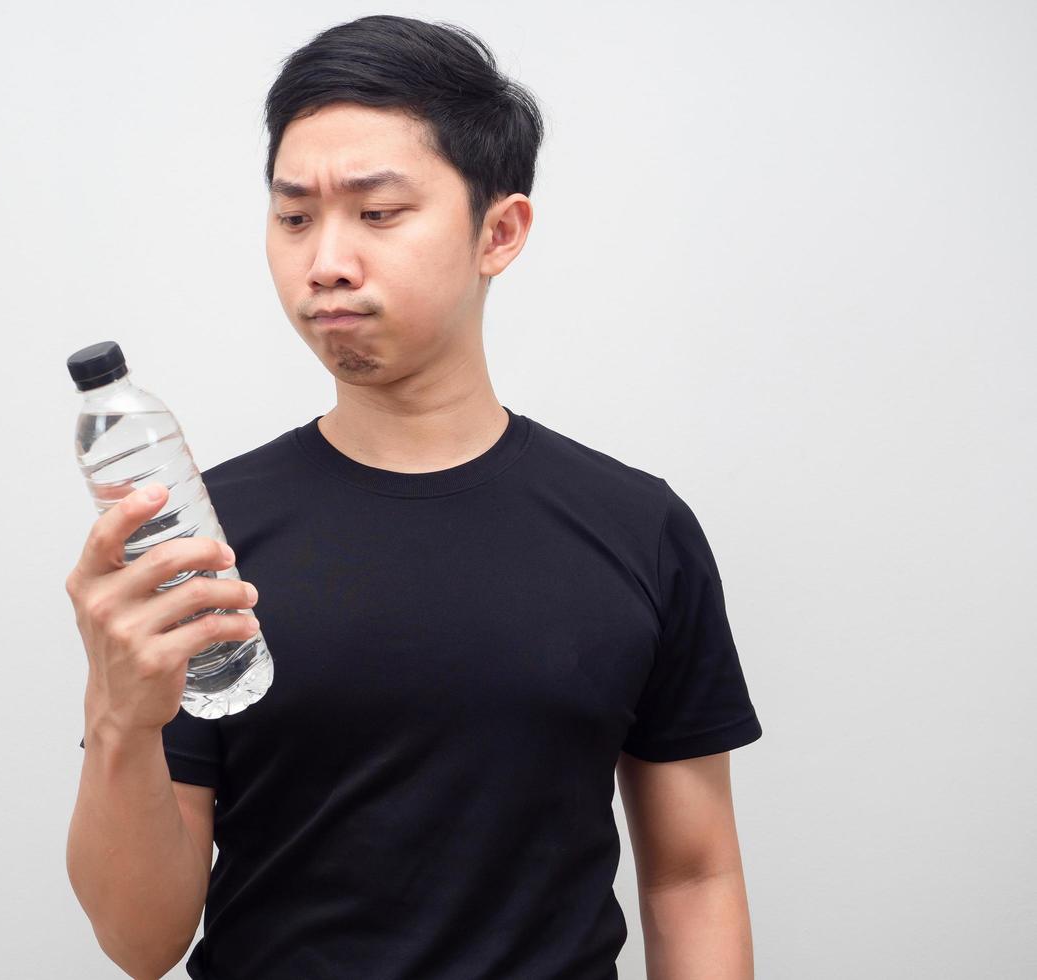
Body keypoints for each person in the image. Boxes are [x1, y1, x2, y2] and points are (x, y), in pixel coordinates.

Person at [67, 14, 763, 980]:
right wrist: (119, 717)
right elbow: (140, 944)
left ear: (499, 231)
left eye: (378, 212)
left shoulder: (638, 528)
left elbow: (692, 878)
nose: (325, 263)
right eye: (295, 216)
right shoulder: (203, 542)